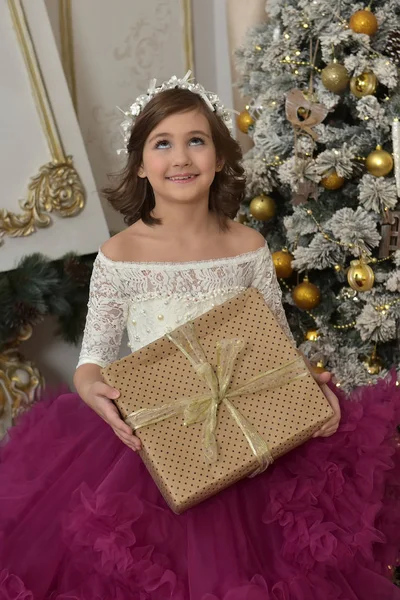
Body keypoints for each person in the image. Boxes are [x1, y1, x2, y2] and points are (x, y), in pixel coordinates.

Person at [1, 73, 400, 600]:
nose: (182, 157)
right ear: (141, 165)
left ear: (218, 156)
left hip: (251, 437)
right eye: (162, 144)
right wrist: (92, 387)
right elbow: (92, 359)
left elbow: (273, 347)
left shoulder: (248, 245)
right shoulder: (120, 255)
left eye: (196, 140)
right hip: (157, 443)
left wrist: (310, 386)